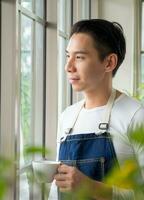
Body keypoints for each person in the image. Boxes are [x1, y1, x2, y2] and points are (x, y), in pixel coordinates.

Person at [48, 19, 144, 200]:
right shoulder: (67, 117)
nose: (68, 67)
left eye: (79, 57)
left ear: (109, 62)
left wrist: (90, 187)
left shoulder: (136, 116)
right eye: (68, 56)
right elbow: (57, 190)